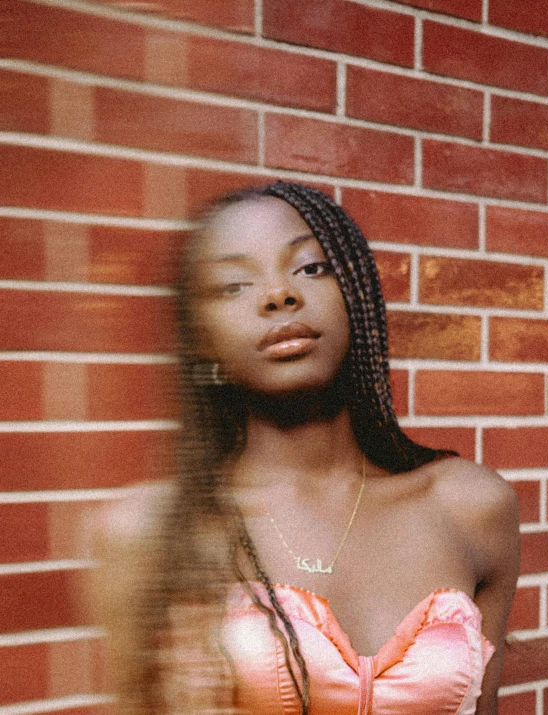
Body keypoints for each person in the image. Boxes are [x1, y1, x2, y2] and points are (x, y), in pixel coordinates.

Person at [91, 181, 520, 715]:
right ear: (201, 337)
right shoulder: (150, 532)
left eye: (311, 268)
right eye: (233, 285)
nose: (279, 295)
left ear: (357, 296)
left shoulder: (472, 506)